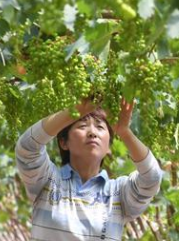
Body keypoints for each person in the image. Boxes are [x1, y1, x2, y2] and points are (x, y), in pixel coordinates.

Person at [15, 98, 163, 240]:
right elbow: (27, 148)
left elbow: (152, 178)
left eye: (100, 127)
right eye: (82, 125)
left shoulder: (118, 195)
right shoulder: (48, 182)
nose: (92, 132)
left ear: (109, 146)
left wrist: (124, 132)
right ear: (63, 142)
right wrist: (75, 110)